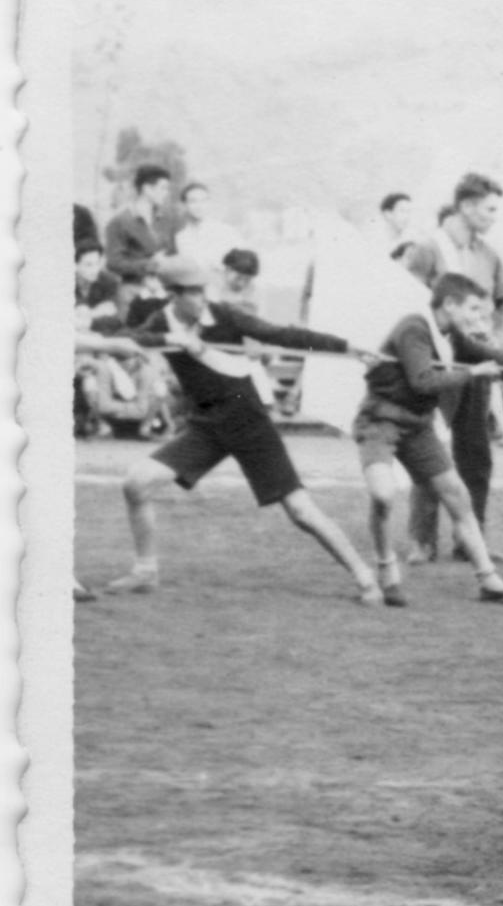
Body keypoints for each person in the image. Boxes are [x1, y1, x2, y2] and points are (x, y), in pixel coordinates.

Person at [101, 257, 384, 603]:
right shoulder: (162, 320)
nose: (201, 298)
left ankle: (365, 577)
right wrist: (169, 337)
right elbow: (126, 338)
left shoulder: (225, 316)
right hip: (205, 426)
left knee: (300, 511)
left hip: (248, 421)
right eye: (192, 292)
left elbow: (282, 335)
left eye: (203, 290)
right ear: (174, 294)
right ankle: (146, 571)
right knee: (136, 483)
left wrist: (345, 347)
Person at [354, 273, 503, 607]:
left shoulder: (452, 335)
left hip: (417, 426)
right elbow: (423, 381)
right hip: (380, 421)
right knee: (382, 495)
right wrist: (471, 374)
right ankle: (386, 570)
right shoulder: (414, 328)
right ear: (449, 304)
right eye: (473, 309)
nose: (477, 318)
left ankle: (489, 581)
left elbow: (493, 355)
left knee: (458, 496)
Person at [401, 171, 503, 561]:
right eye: (489, 209)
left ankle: (471, 540)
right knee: (429, 449)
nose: (493, 216)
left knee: (476, 454)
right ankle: (422, 540)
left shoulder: (489, 254)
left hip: (477, 363)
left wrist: (496, 336)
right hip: (437, 363)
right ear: (466, 206)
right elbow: (405, 298)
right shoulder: (428, 248)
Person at [104, 164, 173, 301]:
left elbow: (170, 252)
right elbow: (113, 263)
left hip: (162, 290)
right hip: (133, 291)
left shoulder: (164, 218)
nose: (166, 193)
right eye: (163, 188)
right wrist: (149, 264)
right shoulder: (120, 221)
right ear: (147, 189)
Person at [170, 181, 241, 269]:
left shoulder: (226, 231)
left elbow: (242, 264)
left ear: (209, 203)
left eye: (203, 201)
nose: (199, 206)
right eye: (193, 201)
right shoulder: (181, 237)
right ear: (184, 205)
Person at [379, 192, 415, 263]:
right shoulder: (378, 244)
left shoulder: (410, 243)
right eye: (402, 211)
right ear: (388, 214)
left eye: (409, 212)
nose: (407, 217)